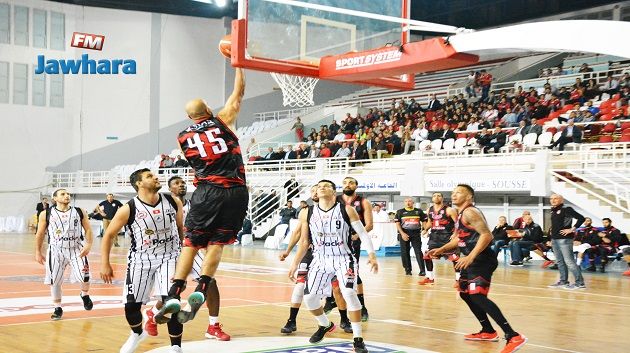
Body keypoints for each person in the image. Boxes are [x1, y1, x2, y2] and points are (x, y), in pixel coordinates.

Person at [156, 68, 248, 333]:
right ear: (208, 109)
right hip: (237, 191)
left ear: (189, 117)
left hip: (207, 191)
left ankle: (175, 290)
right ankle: (203, 286)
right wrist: (238, 64)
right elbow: (238, 93)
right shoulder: (222, 120)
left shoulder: (183, 136)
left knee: (192, 243)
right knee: (217, 244)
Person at [428, 184, 526, 353]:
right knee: (465, 294)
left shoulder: (470, 212)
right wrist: (442, 249)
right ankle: (487, 331)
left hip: (481, 260)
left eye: (458, 192)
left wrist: (470, 256)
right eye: (452, 192)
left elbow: (487, 235)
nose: (454, 195)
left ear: (469, 197)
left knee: (478, 296)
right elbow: (459, 240)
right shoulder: (460, 214)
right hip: (470, 259)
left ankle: (513, 335)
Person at [288, 179, 378, 353]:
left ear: (333, 191)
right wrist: (294, 264)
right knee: (309, 298)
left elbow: (363, 234)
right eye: (319, 186)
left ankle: (358, 338)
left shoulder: (347, 209)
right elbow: (305, 241)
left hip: (343, 258)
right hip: (320, 259)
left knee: (349, 292)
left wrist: (372, 256)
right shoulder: (307, 212)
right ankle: (325, 324)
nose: (321, 188)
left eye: (326, 186)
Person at [100, 169, 184, 353]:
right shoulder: (128, 208)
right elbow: (108, 235)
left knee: (172, 302)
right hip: (141, 259)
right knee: (131, 307)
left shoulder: (172, 201)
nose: (155, 177)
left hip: (169, 256)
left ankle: (176, 348)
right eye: (149, 176)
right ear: (138, 183)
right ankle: (137, 333)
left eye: (154, 175)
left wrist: (184, 254)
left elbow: (180, 228)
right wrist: (105, 263)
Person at [35, 189, 93, 320]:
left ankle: (84, 295)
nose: (67, 195)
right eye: (63, 194)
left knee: (85, 276)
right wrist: (38, 252)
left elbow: (88, 229)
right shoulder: (46, 213)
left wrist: (88, 245)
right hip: (56, 250)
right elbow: (39, 234)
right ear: (54, 198)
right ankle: (57, 308)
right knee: (54, 280)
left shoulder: (79, 211)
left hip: (76, 248)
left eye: (68, 194)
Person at [328, 176, 373, 322]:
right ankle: (331, 300)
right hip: (334, 242)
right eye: (345, 182)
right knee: (330, 272)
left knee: (354, 273)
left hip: (353, 242)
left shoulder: (364, 202)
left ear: (356, 186)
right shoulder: (335, 200)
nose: (348, 185)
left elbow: (369, 225)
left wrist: (356, 236)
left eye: (351, 182)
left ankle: (362, 306)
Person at [547, 194, 585, 289]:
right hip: (555, 239)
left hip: (565, 239)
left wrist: (572, 229)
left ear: (561, 200)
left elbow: (581, 218)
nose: (553, 200)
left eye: (555, 198)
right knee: (560, 261)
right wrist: (550, 238)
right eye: (551, 199)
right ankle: (563, 281)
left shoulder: (566, 209)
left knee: (569, 261)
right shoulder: (553, 210)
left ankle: (580, 283)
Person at [419, 192, 458, 285]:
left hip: (447, 237)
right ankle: (430, 277)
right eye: (434, 196)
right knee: (427, 255)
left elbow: (458, 223)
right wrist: (425, 229)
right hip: (434, 237)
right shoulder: (429, 210)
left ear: (442, 198)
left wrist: (455, 234)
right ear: (432, 198)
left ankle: (459, 280)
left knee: (455, 258)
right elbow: (430, 222)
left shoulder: (449, 210)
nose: (436, 197)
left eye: (439, 195)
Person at [395, 197, 427, 276]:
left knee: (418, 251)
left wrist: (425, 229)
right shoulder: (400, 212)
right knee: (405, 252)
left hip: (416, 233)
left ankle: (422, 270)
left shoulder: (419, 211)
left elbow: (424, 221)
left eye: (409, 201)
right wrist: (402, 233)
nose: (408, 203)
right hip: (404, 233)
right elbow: (397, 224)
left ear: (413, 202)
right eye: (406, 201)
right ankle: (408, 270)